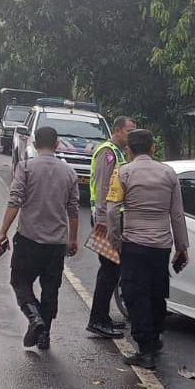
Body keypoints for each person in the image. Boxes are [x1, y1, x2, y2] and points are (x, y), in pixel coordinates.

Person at [106, 129, 189, 369]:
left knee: (134, 294)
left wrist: (115, 240)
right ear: (153, 148)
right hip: (161, 246)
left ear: (129, 150)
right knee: (157, 292)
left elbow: (112, 210)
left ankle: (145, 349)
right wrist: (182, 246)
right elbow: (177, 214)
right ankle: (156, 339)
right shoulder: (169, 173)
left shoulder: (123, 172)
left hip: (134, 244)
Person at [0, 126, 79, 350]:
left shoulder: (25, 167)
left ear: (34, 143)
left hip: (29, 239)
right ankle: (44, 336)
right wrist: (73, 239)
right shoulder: (69, 173)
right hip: (56, 243)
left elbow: (15, 201)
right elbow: (73, 210)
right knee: (51, 288)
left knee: (20, 281)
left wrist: (3, 232)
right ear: (57, 144)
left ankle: (34, 318)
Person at [87, 116, 137, 339]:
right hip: (106, 220)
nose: (132, 135)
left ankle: (103, 317)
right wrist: (104, 221)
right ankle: (97, 320)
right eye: (129, 131)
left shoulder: (117, 152)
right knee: (108, 271)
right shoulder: (107, 153)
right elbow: (104, 187)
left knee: (112, 271)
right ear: (118, 130)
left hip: (111, 219)